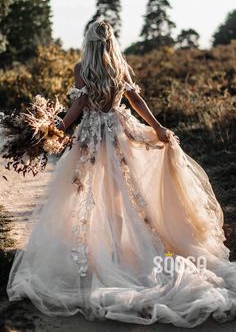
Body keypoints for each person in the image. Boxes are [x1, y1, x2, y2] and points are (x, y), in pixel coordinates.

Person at [6, 20, 236, 328]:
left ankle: (105, 253)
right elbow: (136, 102)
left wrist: (56, 129)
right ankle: (115, 251)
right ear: (111, 41)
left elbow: (79, 106)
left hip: (91, 138)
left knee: (85, 193)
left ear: (88, 41)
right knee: (121, 194)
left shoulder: (81, 69)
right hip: (117, 133)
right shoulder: (119, 67)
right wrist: (157, 127)